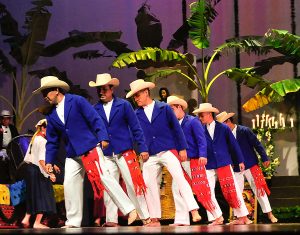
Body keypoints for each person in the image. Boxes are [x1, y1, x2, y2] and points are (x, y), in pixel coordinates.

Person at [32, 76, 137, 228]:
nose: (44, 97)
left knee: (104, 178)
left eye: (46, 92)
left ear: (56, 90)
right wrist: (49, 161)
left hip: (89, 148)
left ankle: (130, 209)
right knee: (70, 184)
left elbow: (94, 119)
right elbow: (52, 141)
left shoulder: (76, 101)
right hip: (72, 154)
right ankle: (73, 221)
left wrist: (102, 136)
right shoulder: (51, 114)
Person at [126, 79, 201, 226]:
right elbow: (135, 134)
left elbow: (176, 128)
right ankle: (154, 218)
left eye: (137, 95)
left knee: (180, 178)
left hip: (167, 150)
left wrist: (182, 148)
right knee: (149, 185)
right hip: (150, 155)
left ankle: (194, 210)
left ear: (146, 92)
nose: (135, 99)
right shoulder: (136, 114)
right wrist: (141, 150)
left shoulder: (164, 108)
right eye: (134, 96)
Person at [89, 73, 155, 227]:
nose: (101, 92)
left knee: (133, 184)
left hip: (124, 150)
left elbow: (136, 128)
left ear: (111, 89)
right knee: (110, 187)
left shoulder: (123, 105)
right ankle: (111, 219)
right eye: (99, 89)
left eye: (104, 89)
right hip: (106, 153)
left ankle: (145, 216)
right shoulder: (95, 108)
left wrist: (143, 148)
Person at [192, 103, 251, 225]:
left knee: (232, 188)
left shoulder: (223, 128)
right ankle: (217, 217)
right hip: (208, 163)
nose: (200, 118)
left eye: (201, 115)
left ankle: (243, 216)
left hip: (223, 161)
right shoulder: (201, 129)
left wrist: (239, 160)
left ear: (209, 114)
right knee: (208, 191)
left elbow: (233, 145)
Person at [216, 111, 278, 223]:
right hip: (235, 167)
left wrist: (264, 158)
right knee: (236, 192)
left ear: (228, 121)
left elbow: (257, 144)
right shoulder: (224, 135)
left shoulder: (244, 131)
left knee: (259, 190)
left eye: (222, 124)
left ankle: (270, 214)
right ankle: (239, 217)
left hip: (250, 164)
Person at [167, 95, 220, 226]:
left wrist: (203, 155)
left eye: (172, 109)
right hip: (179, 162)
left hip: (193, 160)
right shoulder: (172, 125)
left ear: (180, 107)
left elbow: (201, 140)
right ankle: (182, 220)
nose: (170, 112)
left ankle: (217, 215)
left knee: (202, 189)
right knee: (177, 188)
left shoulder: (192, 121)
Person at [19, 119, 59, 228]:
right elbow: (41, 161)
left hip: (29, 169)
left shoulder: (34, 138)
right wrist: (49, 174)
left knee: (33, 195)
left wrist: (53, 164)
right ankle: (37, 222)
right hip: (36, 170)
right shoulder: (43, 141)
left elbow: (37, 156)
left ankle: (26, 219)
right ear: (43, 128)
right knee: (44, 195)